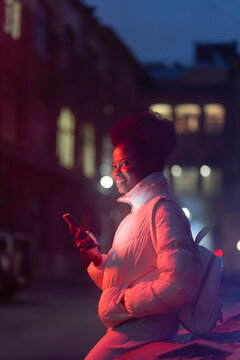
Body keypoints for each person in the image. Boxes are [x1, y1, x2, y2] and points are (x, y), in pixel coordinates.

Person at [73, 111, 200, 360]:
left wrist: (124, 303)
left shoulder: (162, 211)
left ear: (149, 161)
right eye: (113, 166)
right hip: (133, 328)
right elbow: (117, 283)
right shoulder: (135, 215)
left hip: (148, 329)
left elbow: (180, 284)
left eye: (125, 163)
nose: (116, 173)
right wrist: (97, 258)